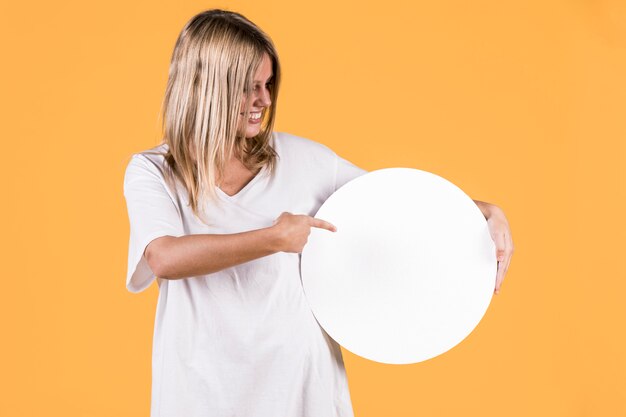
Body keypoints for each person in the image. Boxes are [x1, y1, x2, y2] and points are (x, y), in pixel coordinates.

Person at [122, 9, 514, 417]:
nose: (264, 100)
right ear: (205, 87)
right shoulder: (155, 171)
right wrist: (273, 239)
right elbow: (163, 257)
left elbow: (400, 203)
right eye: (248, 87)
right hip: (199, 393)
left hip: (302, 390)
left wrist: (486, 210)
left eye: (267, 84)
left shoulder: (304, 160)